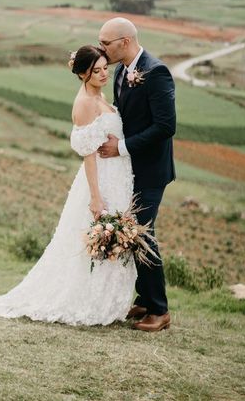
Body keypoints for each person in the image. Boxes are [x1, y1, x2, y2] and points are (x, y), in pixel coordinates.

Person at [0, 45, 136, 326]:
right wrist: (95, 198)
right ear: (82, 74)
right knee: (95, 236)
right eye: (97, 71)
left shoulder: (98, 95)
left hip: (117, 176)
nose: (104, 74)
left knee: (113, 237)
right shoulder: (84, 104)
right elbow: (89, 155)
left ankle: (105, 300)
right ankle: (86, 300)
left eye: (105, 68)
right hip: (100, 180)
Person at [98, 17, 176, 332]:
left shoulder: (156, 73)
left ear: (125, 42)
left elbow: (165, 126)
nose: (102, 48)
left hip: (152, 169)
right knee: (134, 230)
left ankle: (160, 310)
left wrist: (123, 147)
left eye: (106, 43)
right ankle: (144, 299)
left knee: (141, 234)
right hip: (130, 169)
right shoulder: (121, 71)